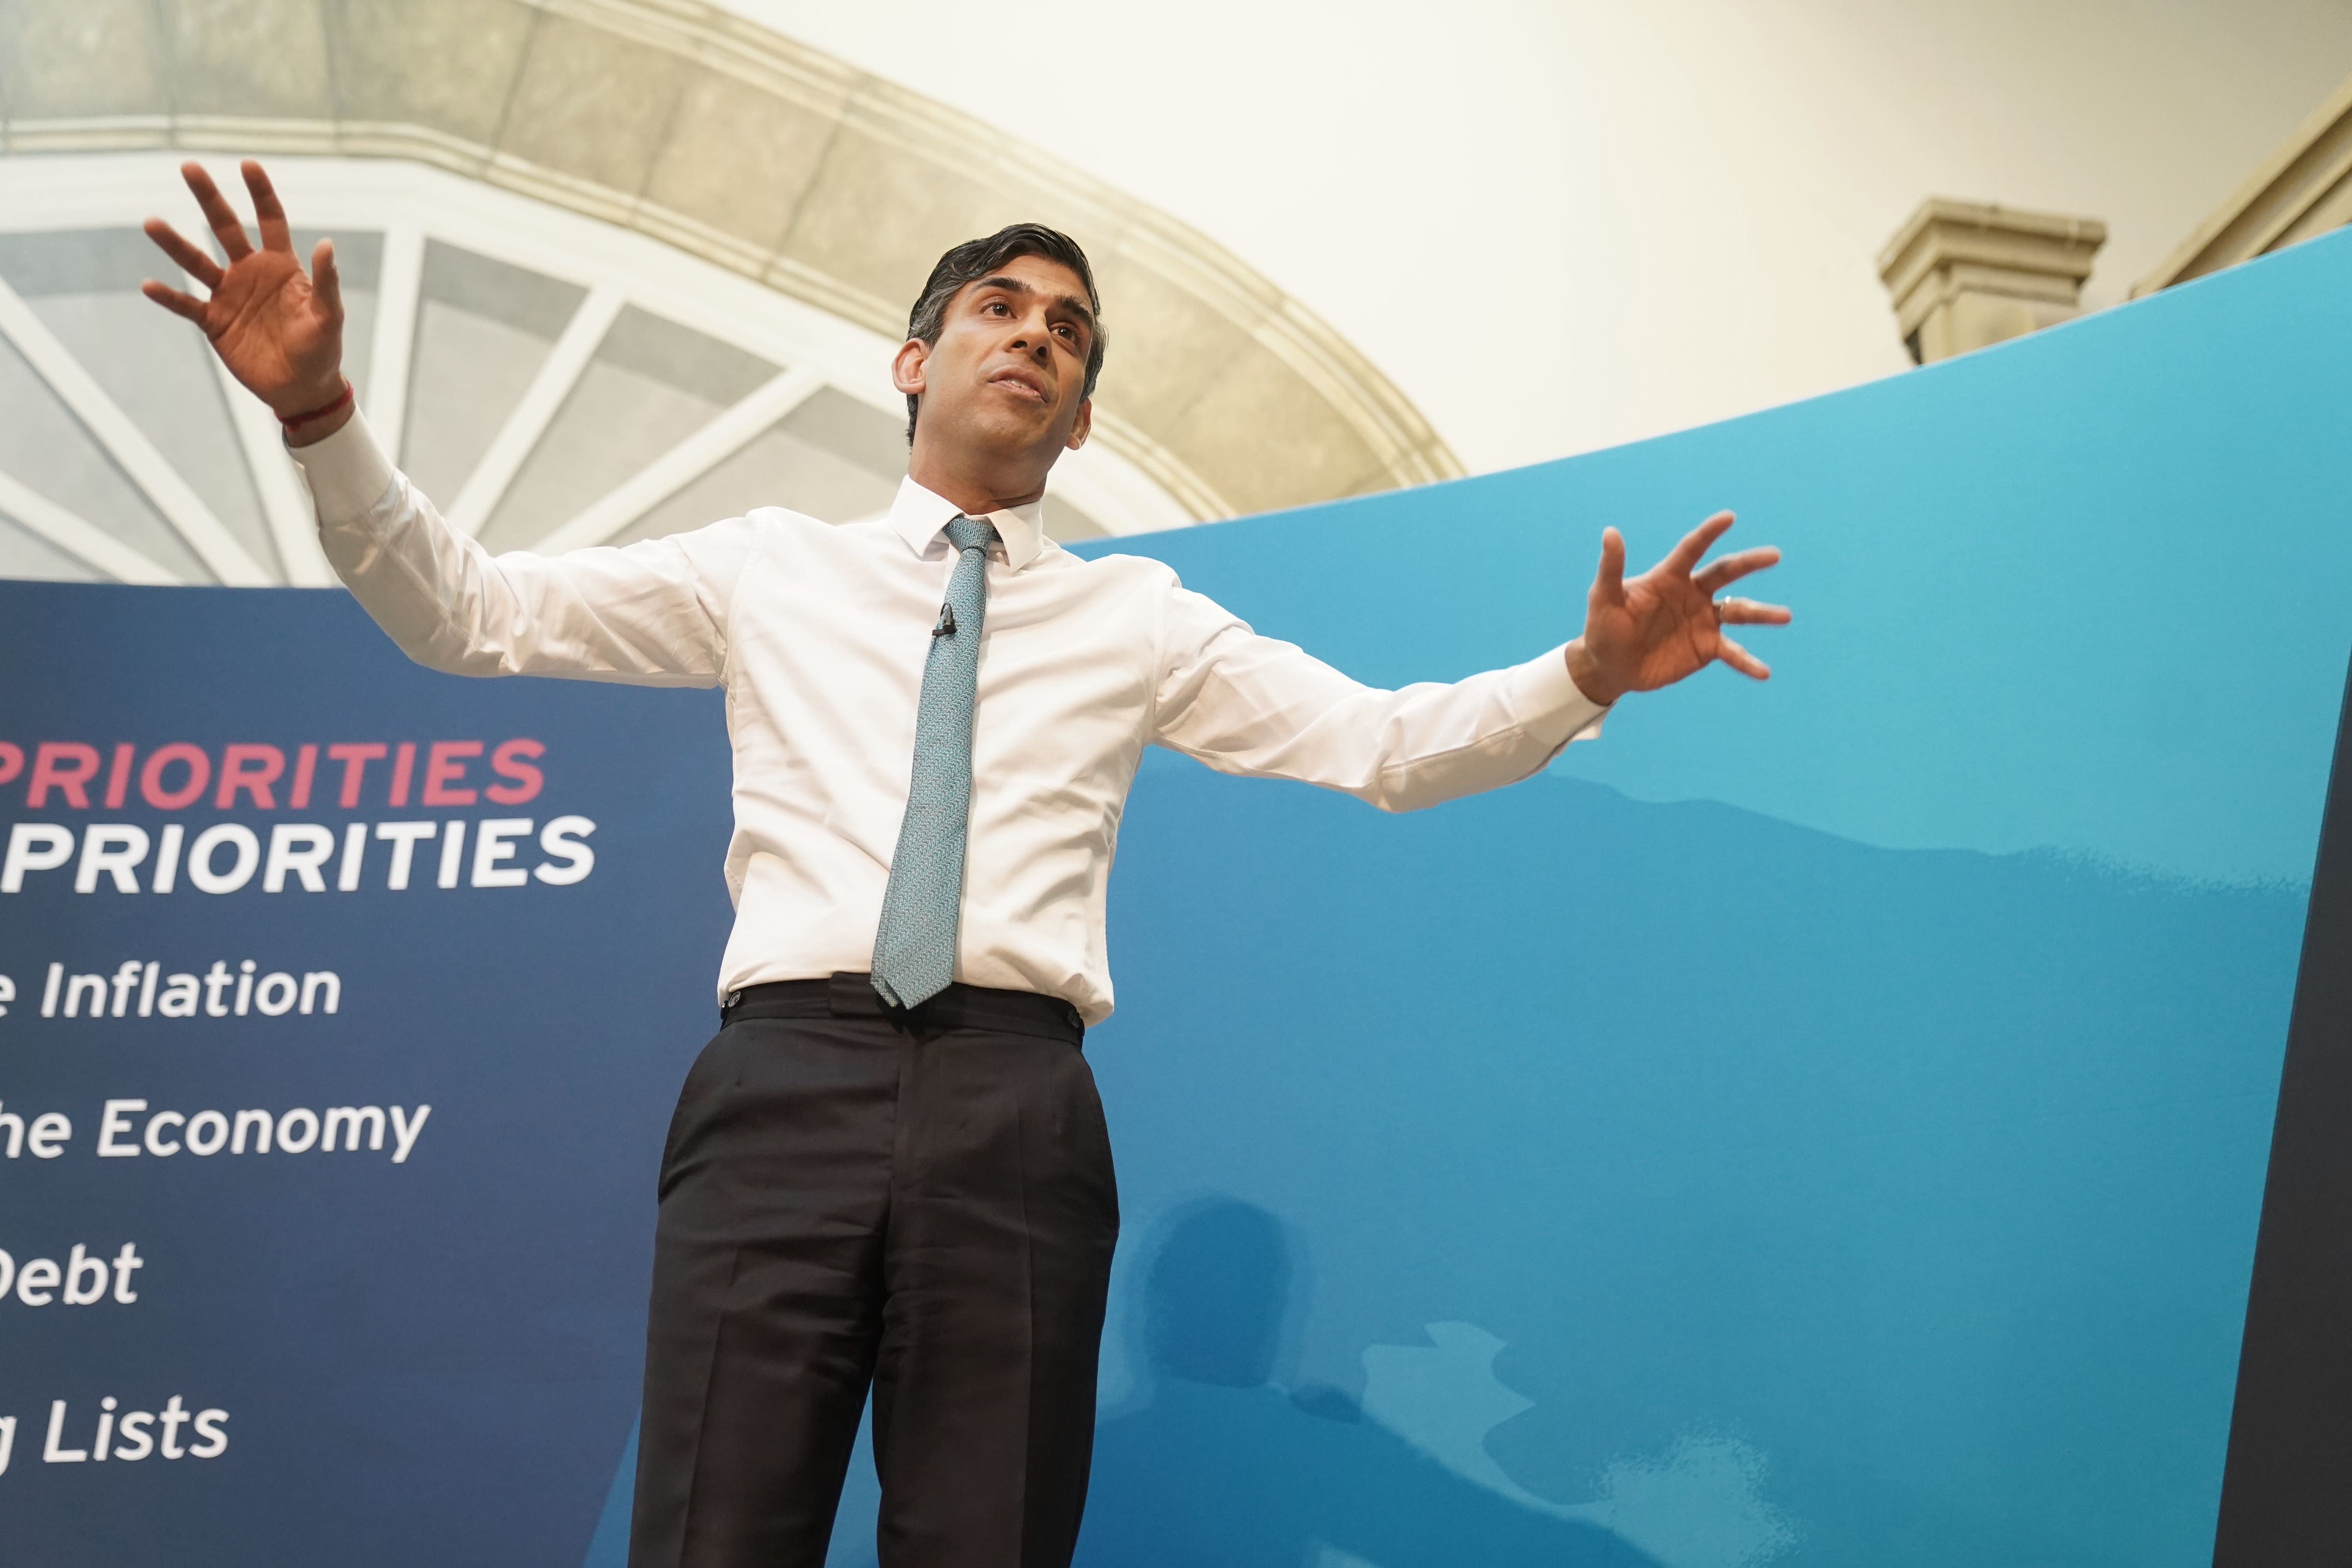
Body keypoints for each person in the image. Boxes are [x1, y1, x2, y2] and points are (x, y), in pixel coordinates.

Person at [142, 159, 1789, 1568]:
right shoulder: (767, 569)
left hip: (1018, 1110)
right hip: (781, 1087)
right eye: (1005, 308)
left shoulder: (1137, 617)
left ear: (1078, 423)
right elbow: (471, 615)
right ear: (913, 362)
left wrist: (1579, 677)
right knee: (717, 1526)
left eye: (1069, 334)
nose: (1040, 339)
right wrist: (319, 412)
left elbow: (1382, 745)